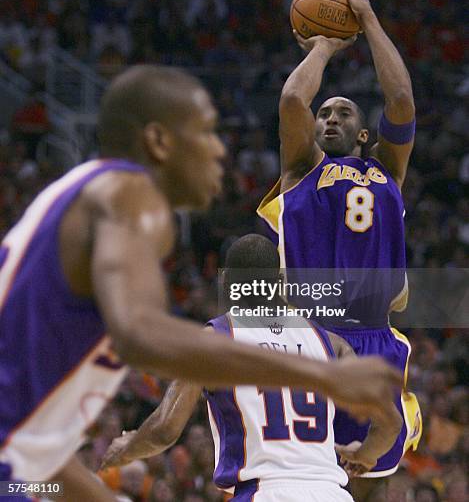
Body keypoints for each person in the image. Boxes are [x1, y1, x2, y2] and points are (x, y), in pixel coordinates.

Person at [0, 65, 401, 501]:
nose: (218, 150)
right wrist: (320, 377)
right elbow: (141, 334)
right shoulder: (126, 197)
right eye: (207, 132)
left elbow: (31, 463)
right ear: (159, 142)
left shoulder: (101, 201)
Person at [257, 0, 422, 502]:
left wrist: (368, 19)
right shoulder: (302, 168)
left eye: (342, 112)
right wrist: (325, 44)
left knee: (371, 473)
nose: (329, 118)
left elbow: (399, 99)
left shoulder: (388, 170)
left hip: (375, 335)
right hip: (314, 334)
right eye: (324, 113)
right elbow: (291, 100)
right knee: (300, 479)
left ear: (364, 133)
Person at [101, 234, 402, 501]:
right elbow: (390, 423)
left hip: (263, 492)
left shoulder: (213, 342)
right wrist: (364, 455)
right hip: (331, 493)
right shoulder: (331, 343)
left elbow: (165, 429)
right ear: (281, 282)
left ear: (227, 283)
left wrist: (127, 447)